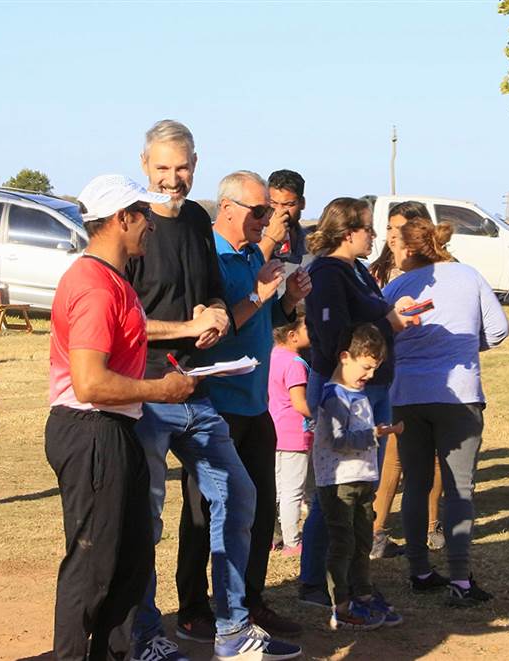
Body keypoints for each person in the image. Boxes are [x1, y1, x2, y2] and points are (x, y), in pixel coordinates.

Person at [124, 120, 297, 661]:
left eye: (181, 168)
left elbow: (216, 296)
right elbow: (121, 319)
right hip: (147, 388)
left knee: (239, 497)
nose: (172, 179)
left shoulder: (197, 219)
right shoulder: (129, 223)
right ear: (143, 165)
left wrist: (218, 313)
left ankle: (232, 629)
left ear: (195, 166)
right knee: (146, 521)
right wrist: (183, 328)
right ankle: (147, 633)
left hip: (197, 388)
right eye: (162, 168)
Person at [46, 174, 197, 660]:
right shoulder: (94, 284)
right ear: (121, 218)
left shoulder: (111, 279)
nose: (151, 225)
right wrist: (162, 390)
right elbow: (90, 382)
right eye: (144, 215)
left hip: (114, 428)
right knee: (93, 565)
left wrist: (187, 329)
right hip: (92, 428)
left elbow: (127, 333)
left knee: (128, 562)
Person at [174, 171, 309, 641]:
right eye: (259, 211)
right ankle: (193, 608)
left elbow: (270, 318)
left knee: (257, 510)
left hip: (256, 405)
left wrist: (288, 302)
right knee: (204, 512)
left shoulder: (254, 254)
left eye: (270, 212)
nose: (267, 220)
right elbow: (213, 326)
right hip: (215, 404)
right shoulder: (206, 254)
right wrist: (259, 294)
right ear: (227, 207)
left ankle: (249, 602)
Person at [384, 216, 509, 605]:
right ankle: (460, 578)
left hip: (407, 394)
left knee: (416, 482)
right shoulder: (468, 276)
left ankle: (419, 570)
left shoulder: (395, 286)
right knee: (459, 488)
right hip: (459, 395)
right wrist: (466, 348)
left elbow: (380, 335)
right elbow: (500, 329)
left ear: (407, 250)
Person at [297, 197, 416, 607]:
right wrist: (389, 323)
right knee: (335, 488)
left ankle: (348, 579)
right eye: (368, 228)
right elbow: (334, 340)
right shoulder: (329, 272)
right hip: (344, 392)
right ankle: (315, 583)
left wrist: (392, 313)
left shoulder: (356, 269)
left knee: (361, 487)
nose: (375, 235)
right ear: (349, 232)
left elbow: (365, 318)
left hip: (369, 389)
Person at [366, 201, 444, 558]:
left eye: (401, 231)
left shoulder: (443, 269)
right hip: (396, 373)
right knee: (393, 457)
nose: (394, 238)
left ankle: (432, 526)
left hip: (437, 374)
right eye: (390, 230)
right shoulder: (379, 271)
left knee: (435, 458)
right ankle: (377, 529)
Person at [315, 324, 403, 630]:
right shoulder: (334, 397)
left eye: (374, 369)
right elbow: (339, 441)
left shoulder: (358, 392)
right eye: (365, 367)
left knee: (362, 540)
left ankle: (363, 595)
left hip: (362, 480)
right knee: (343, 544)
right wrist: (374, 434)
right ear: (345, 358)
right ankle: (341, 604)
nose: (369, 375)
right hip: (339, 483)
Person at [269, 312, 313, 556]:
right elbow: (299, 403)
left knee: (277, 488)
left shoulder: (272, 356)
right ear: (292, 335)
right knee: (293, 492)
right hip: (295, 434)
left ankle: (273, 537)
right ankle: (293, 542)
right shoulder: (296, 363)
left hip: (275, 431)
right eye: (308, 328)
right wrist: (321, 413)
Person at [266, 169, 307, 265]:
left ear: (302, 203)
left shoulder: (311, 243)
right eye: (273, 203)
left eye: (288, 204)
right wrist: (269, 239)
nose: (280, 211)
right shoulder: (253, 239)